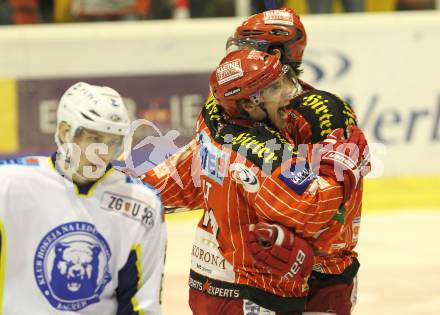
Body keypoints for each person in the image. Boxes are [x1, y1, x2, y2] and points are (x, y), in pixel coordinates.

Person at [142, 49, 369, 314]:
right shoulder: (263, 151)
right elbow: (311, 207)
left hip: (213, 281)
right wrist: (341, 165)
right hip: (251, 293)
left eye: (282, 81)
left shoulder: (213, 116)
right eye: (273, 88)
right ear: (248, 105)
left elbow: (177, 182)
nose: (287, 93)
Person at [227, 7, 367, 314]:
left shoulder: (320, 112)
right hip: (270, 269)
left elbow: (339, 201)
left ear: (276, 54)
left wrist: (304, 252)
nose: (240, 57)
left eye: (249, 48)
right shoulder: (254, 105)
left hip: (322, 278)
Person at [0, 82, 166, 314]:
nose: (102, 153)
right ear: (63, 132)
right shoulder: (8, 184)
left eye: (112, 142)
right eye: (93, 138)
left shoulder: (141, 204)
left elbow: (140, 305)